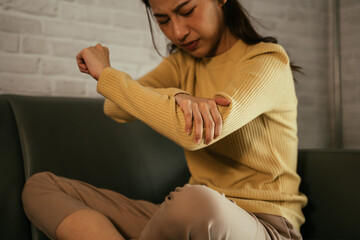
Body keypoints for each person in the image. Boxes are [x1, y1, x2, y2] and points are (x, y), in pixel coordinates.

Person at [22, 0, 308, 239]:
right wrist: (179, 95)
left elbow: (196, 134)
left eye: (186, 11)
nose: (178, 32)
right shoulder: (180, 65)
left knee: (194, 201)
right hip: (188, 223)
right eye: (163, 20)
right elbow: (115, 107)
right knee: (41, 186)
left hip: (263, 227)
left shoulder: (267, 61)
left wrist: (107, 74)